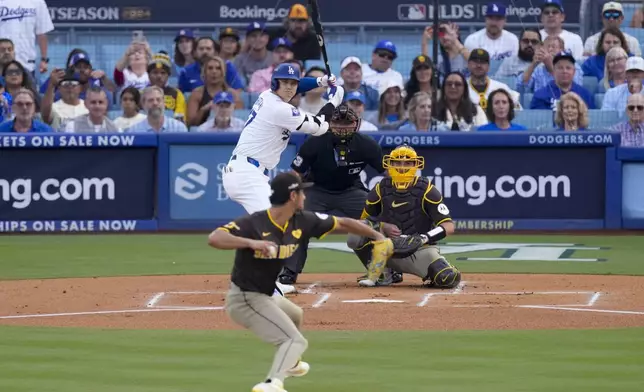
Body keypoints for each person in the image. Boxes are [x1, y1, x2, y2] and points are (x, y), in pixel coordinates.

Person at [209, 172, 387, 392]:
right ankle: (272, 383)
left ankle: (291, 363)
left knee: (295, 314)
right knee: (295, 341)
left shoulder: (303, 220)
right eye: (302, 191)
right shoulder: (254, 223)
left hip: (264, 295)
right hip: (245, 299)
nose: (305, 195)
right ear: (293, 196)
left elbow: (344, 223)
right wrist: (252, 243)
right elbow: (215, 238)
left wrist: (378, 237)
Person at [221, 62, 341, 295]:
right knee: (275, 224)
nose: (289, 87)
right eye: (284, 83)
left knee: (274, 224)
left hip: (248, 172)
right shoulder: (279, 109)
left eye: (293, 83)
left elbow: (298, 85)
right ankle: (263, 284)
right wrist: (334, 101)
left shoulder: (269, 96)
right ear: (275, 83)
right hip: (245, 173)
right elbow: (321, 127)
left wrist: (321, 82)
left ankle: (255, 277)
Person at [278, 104, 387, 284]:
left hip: (351, 190)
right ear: (329, 124)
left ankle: (384, 269)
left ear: (356, 124)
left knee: (377, 219)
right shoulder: (315, 141)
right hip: (317, 189)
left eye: (347, 123)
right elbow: (296, 172)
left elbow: (387, 172)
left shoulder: (367, 144)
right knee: (297, 221)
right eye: (338, 123)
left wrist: (398, 189)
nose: (343, 127)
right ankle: (290, 270)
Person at [346, 144, 461, 288]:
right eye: (397, 162)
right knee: (355, 233)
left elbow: (448, 226)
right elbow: (362, 223)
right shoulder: (381, 188)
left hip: (420, 250)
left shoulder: (427, 190)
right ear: (389, 164)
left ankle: (429, 269)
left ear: (416, 164)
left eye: (407, 162)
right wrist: (382, 226)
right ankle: (383, 273)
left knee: (446, 278)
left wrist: (422, 238)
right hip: (387, 249)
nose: (402, 167)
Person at [0, 0, 54, 75]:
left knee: (28, 86)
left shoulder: (38, 2)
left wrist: (44, 60)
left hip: (27, 64)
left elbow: (42, 33)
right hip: (1, 63)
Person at [530, 52, 595, 110]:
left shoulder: (585, 95)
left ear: (574, 72)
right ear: (554, 71)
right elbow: (538, 120)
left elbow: (591, 119)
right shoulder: (541, 95)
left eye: (568, 68)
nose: (564, 71)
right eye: (560, 68)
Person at [187, 56, 239, 127]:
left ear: (223, 72)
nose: (214, 71)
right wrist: (204, 109)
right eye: (210, 68)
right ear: (204, 72)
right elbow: (190, 123)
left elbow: (239, 119)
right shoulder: (197, 93)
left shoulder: (233, 94)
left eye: (218, 68)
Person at [148, 51, 187, 122]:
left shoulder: (177, 94)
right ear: (148, 75)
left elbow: (180, 120)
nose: (159, 76)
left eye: (163, 73)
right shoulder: (141, 94)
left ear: (168, 75)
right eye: (155, 72)